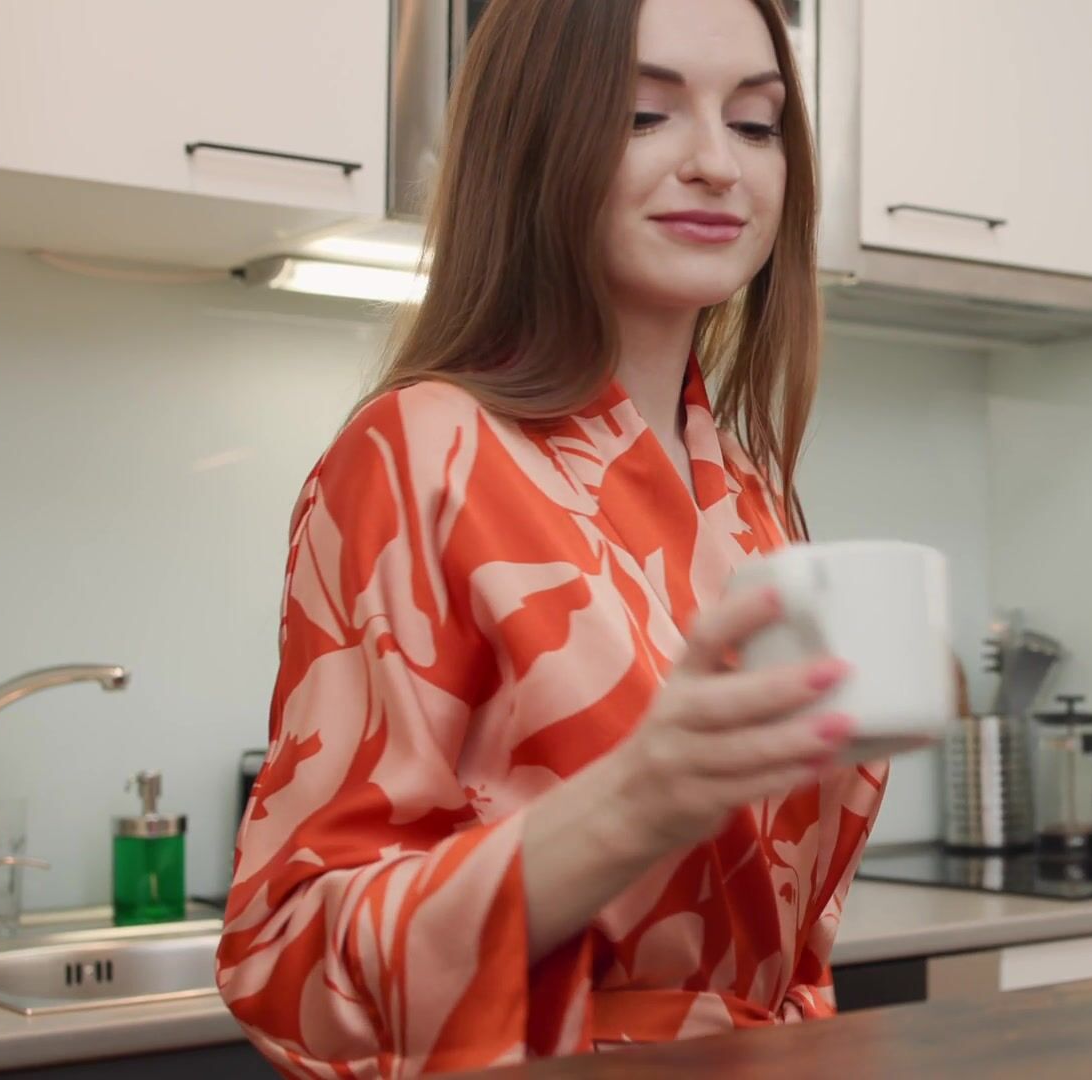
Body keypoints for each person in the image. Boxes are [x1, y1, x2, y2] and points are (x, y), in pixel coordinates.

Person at [215, 0, 884, 1071]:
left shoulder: (750, 494)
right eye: (643, 115)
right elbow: (290, 963)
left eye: (756, 125)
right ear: (532, 140)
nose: (718, 164)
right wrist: (629, 807)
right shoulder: (422, 452)